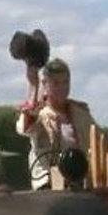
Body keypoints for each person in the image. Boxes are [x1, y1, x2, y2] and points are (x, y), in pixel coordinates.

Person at [16, 58, 95, 190]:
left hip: (81, 183)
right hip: (48, 185)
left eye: (66, 82)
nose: (62, 88)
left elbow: (99, 140)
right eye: (56, 83)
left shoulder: (80, 112)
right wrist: (34, 88)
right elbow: (26, 128)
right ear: (45, 84)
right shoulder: (40, 114)